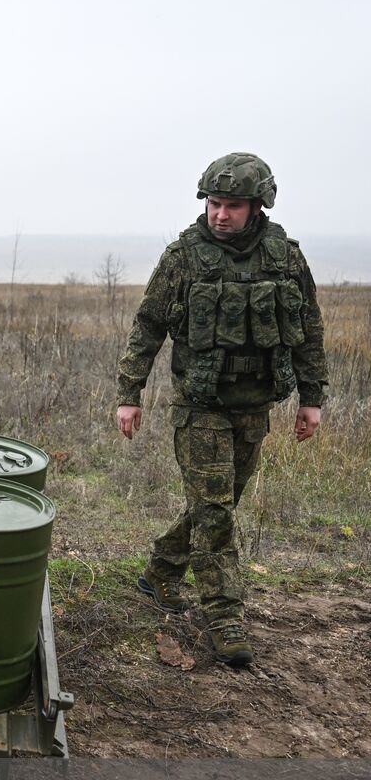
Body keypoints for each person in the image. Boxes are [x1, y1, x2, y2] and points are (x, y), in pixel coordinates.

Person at [115, 152, 327, 666]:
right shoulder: (183, 257)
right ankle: (225, 617)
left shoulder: (285, 258)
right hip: (199, 405)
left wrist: (311, 397)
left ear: (257, 206)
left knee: (219, 504)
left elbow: (309, 329)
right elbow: (148, 325)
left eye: (232, 205)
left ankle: (162, 570)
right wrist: (129, 392)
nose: (220, 214)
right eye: (214, 203)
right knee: (215, 514)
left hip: (254, 405)